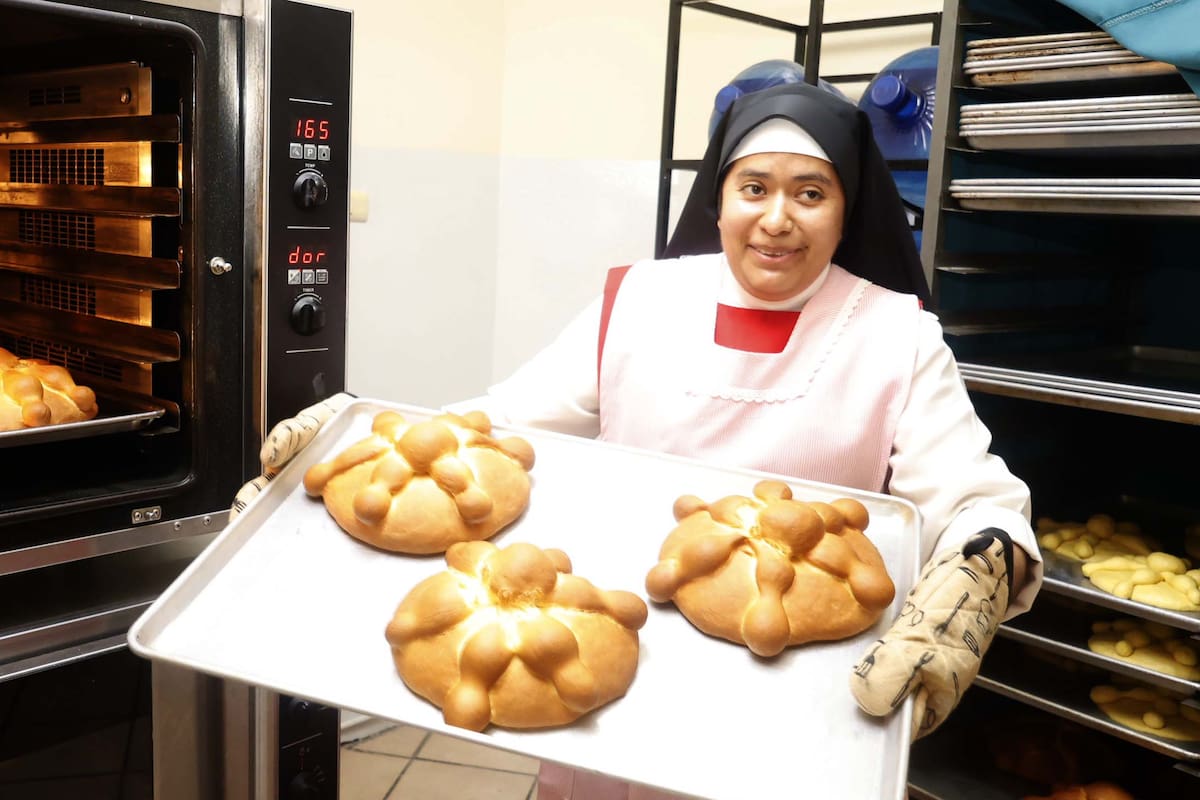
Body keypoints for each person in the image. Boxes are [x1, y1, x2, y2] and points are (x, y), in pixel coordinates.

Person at [236, 78, 1043, 800]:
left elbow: (970, 490)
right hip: (616, 656)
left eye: (810, 193)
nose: (775, 220)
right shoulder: (642, 299)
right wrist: (353, 439)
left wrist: (980, 569)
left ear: (848, 206)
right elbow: (504, 420)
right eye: (752, 187)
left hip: (796, 687)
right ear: (719, 198)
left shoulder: (898, 336)